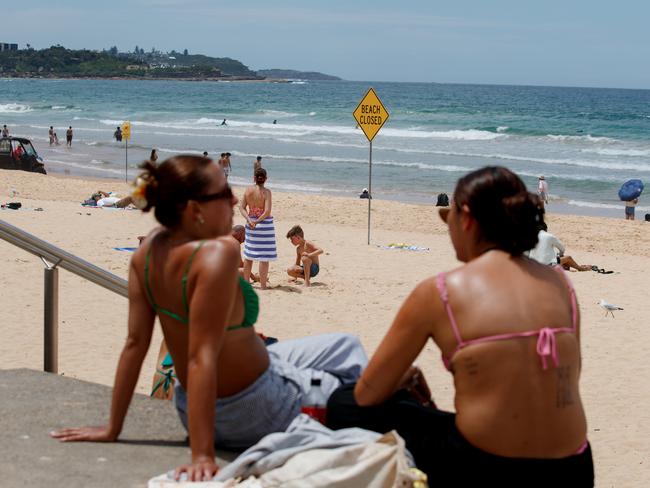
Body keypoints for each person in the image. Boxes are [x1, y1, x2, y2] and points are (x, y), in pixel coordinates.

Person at [51, 155, 367, 481]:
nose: (233, 199)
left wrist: (112, 427)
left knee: (345, 345)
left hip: (194, 406)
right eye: (223, 193)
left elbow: (135, 345)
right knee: (351, 379)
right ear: (194, 210)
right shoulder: (220, 253)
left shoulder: (146, 255)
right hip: (255, 404)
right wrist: (202, 454)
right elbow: (202, 356)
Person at [326, 166, 593, 485]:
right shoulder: (562, 284)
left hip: (486, 466)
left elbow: (366, 395)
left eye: (448, 219)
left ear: (465, 218)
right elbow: (563, 376)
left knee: (343, 402)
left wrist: (400, 387)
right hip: (573, 467)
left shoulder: (439, 291)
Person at [239, 167, 276, 289]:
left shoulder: (248, 191)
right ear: (265, 179)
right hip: (264, 226)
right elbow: (267, 211)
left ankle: (246, 283)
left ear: (254, 178)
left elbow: (242, 208)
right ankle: (263, 285)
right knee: (264, 258)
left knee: (249, 256)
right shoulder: (267, 192)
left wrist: (250, 220)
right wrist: (257, 221)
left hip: (251, 226)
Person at [528, 222, 593, 271]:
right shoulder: (549, 236)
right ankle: (580, 268)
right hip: (546, 265)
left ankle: (563, 266)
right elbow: (562, 249)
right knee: (568, 258)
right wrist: (560, 254)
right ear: (545, 229)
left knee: (557, 259)